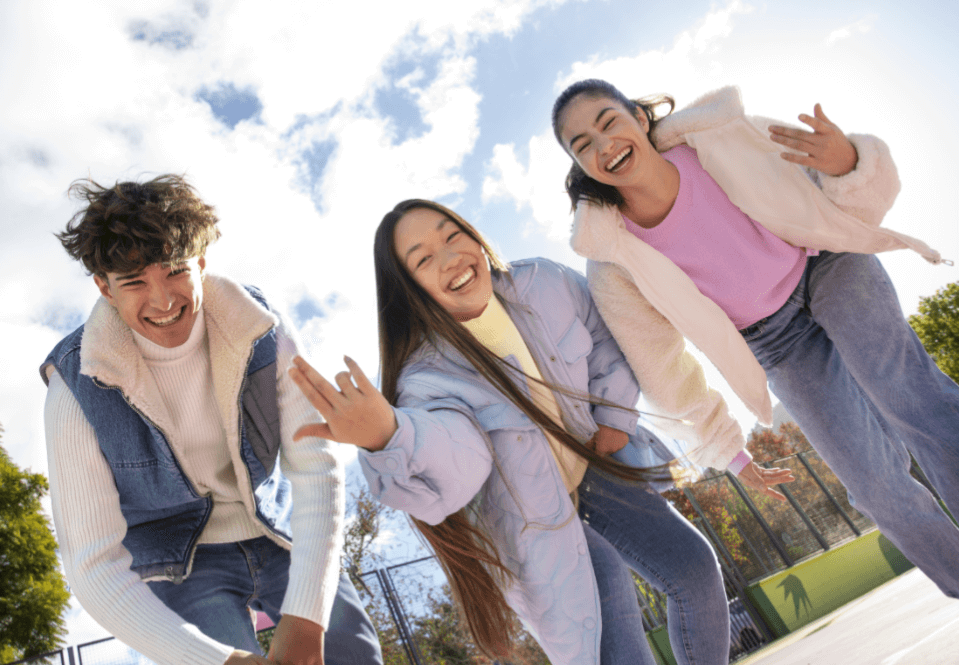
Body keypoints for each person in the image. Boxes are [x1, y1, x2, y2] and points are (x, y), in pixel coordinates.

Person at [288, 199, 793, 664]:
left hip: (591, 459)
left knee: (693, 567)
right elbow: (458, 461)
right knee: (606, 600)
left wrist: (615, 418)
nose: (449, 257)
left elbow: (604, 339)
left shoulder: (542, 284)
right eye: (422, 260)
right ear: (410, 289)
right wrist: (389, 436)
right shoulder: (427, 378)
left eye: (451, 235)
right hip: (531, 518)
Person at [553, 79, 959, 597]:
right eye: (581, 144)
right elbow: (662, 369)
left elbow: (825, 175)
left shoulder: (717, 137)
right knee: (873, 486)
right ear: (579, 164)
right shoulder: (613, 258)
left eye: (608, 123)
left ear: (638, 117)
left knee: (912, 397)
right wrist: (729, 452)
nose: (602, 144)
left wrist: (847, 160)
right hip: (774, 339)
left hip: (826, 267)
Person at [40, 175, 382, 665]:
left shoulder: (260, 325)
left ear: (200, 261)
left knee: (353, 656)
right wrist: (216, 662)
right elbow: (93, 564)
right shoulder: (75, 383)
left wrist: (306, 620)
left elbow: (315, 466)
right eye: (134, 283)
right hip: (178, 563)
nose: (162, 302)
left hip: (280, 530)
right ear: (104, 288)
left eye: (175, 271)